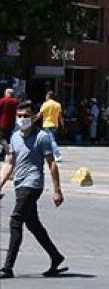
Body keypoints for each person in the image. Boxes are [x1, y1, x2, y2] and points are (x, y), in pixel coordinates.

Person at [0, 100, 68, 279]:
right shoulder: (15, 137)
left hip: (33, 184)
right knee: (32, 223)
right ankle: (56, 257)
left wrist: (57, 190)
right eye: (20, 116)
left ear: (33, 117)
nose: (22, 119)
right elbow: (10, 164)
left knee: (16, 221)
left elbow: (52, 163)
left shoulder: (42, 137)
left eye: (26, 116)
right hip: (20, 184)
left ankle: (7, 267)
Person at [38, 92, 63, 163]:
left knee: (51, 140)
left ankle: (58, 155)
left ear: (48, 96)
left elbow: (40, 114)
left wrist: (33, 120)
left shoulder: (45, 104)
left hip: (47, 124)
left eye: (46, 96)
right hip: (55, 125)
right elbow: (60, 116)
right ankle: (49, 154)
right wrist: (62, 124)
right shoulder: (58, 105)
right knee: (49, 140)